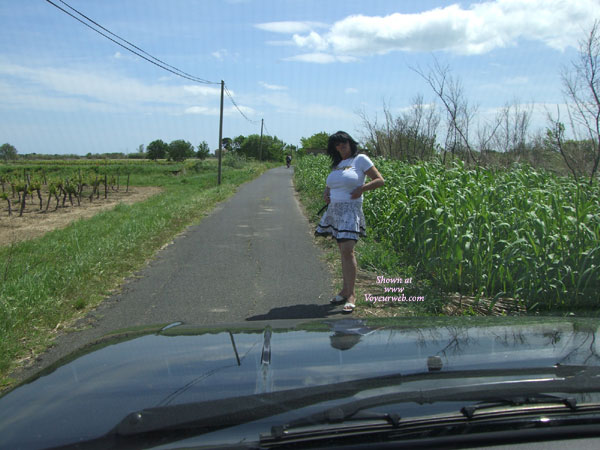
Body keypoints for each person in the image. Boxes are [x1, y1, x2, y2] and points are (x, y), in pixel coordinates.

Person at [315, 131, 385, 313]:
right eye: (337, 145)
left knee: (348, 250)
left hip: (350, 210)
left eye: (344, 143)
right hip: (335, 211)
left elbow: (379, 180)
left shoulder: (360, 159)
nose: (341, 147)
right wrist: (326, 192)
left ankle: (352, 294)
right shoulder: (338, 164)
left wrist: (362, 188)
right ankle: (345, 290)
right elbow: (332, 183)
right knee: (342, 251)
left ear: (350, 143)